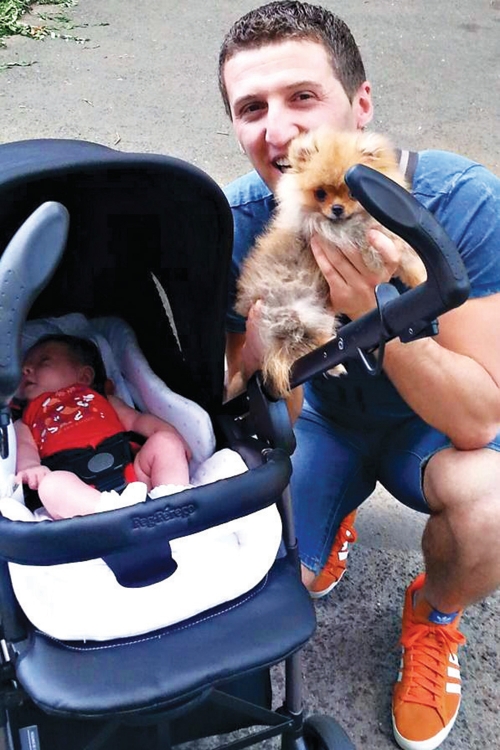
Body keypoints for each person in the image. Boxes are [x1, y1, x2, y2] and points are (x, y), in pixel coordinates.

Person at [218, 3, 500, 749]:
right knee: (279, 577)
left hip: (431, 430)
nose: (279, 129)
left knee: (494, 505)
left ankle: (434, 615)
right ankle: (331, 513)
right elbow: (249, 406)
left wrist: (381, 313)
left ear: (360, 103)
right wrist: (263, 352)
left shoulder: (463, 204)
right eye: (252, 108)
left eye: (302, 96)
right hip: (325, 421)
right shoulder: (239, 221)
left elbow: (479, 418)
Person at [14, 334, 192, 519]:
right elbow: (24, 447)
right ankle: (110, 515)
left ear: (84, 376)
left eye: (43, 362)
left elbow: (137, 421)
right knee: (50, 485)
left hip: (132, 474)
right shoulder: (26, 419)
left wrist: (169, 434)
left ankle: (171, 501)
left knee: (165, 442)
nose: (26, 369)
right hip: (78, 490)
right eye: (24, 366)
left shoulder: (102, 400)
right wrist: (31, 467)